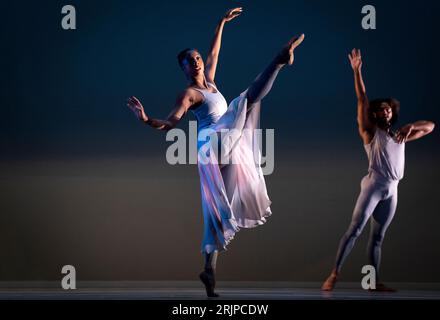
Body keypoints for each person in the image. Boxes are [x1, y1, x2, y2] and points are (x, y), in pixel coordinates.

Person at [126, 7, 305, 297]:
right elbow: (172, 122)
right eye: (190, 62)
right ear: (183, 69)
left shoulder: (210, 81)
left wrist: (221, 22)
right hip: (213, 143)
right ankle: (279, 59)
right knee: (244, 101)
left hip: (227, 145)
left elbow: (214, 53)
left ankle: (209, 271)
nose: (196, 62)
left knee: (216, 214)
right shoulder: (189, 94)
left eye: (196, 58)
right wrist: (147, 119)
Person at [321, 49, 435, 292]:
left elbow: (431, 126)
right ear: (375, 114)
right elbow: (362, 99)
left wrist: (411, 126)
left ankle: (373, 282)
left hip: (392, 190)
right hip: (374, 185)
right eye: (382, 109)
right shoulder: (371, 132)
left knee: (378, 238)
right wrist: (357, 71)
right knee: (355, 230)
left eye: (389, 109)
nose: (387, 111)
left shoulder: (400, 136)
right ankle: (334, 274)